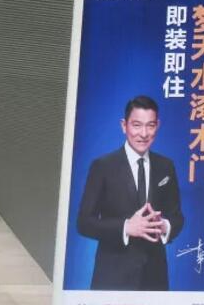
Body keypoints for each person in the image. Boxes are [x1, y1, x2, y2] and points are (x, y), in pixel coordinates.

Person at [77, 95, 184, 290]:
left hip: (155, 277)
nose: (144, 133)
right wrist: (126, 227)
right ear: (123, 125)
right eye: (136, 125)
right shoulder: (103, 166)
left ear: (158, 126)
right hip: (112, 277)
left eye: (150, 125)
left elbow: (177, 217)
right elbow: (84, 223)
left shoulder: (166, 166)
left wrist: (164, 226)